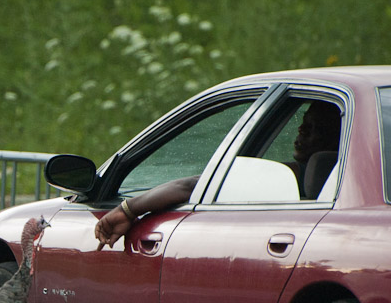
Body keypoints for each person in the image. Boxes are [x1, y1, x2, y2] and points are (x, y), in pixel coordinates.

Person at [95, 100, 341, 250]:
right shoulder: (297, 176)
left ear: (334, 140)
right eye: (302, 123)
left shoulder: (281, 177)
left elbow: (193, 186)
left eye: (313, 128)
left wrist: (126, 209)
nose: (300, 131)